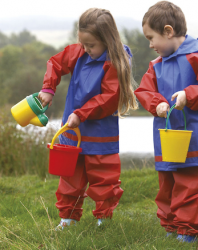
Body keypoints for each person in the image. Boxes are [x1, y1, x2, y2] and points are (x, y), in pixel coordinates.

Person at [135, 1, 198, 243]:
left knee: (190, 185)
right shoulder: (155, 66)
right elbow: (144, 91)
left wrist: (190, 94)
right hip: (167, 139)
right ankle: (170, 227)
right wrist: (157, 103)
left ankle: (188, 232)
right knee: (166, 185)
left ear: (168, 31)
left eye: (151, 37)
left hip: (195, 139)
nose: (150, 44)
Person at [39, 8, 138, 230]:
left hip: (100, 133)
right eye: (83, 44)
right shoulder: (79, 53)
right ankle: (69, 219)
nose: (86, 49)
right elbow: (55, 63)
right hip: (72, 132)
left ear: (107, 40)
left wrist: (81, 114)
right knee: (69, 178)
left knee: (104, 179)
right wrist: (48, 88)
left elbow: (109, 98)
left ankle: (103, 219)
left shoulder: (115, 62)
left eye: (91, 45)